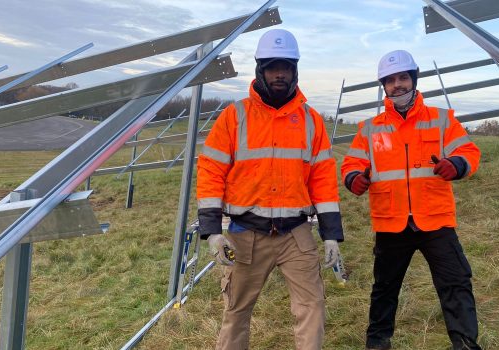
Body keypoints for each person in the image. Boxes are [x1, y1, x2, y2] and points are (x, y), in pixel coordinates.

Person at [196, 28, 344, 350]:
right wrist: (212, 231)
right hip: (246, 232)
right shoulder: (234, 116)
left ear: (295, 71)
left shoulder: (311, 121)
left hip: (296, 233)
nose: (280, 74)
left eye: (286, 67)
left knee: (312, 307)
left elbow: (322, 180)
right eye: (273, 66)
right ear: (260, 69)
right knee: (236, 311)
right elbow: (210, 171)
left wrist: (331, 233)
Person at [341, 49, 482, 350]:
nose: (398, 85)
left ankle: (466, 345)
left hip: (435, 219)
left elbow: (469, 152)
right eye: (390, 80)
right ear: (384, 86)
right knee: (384, 290)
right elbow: (350, 164)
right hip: (391, 223)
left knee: (456, 286)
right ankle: (377, 345)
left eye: (403, 77)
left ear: (414, 80)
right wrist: (355, 178)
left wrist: (456, 165)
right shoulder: (370, 128)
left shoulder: (441, 120)